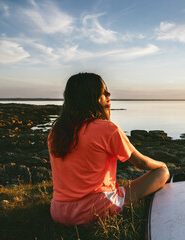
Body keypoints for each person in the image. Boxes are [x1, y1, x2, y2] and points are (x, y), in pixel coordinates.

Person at [48, 72, 170, 226]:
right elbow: (141, 163)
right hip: (94, 210)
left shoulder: (56, 131)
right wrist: (162, 165)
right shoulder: (107, 129)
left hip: (58, 211)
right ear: (91, 97)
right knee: (163, 172)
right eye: (103, 91)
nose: (109, 94)